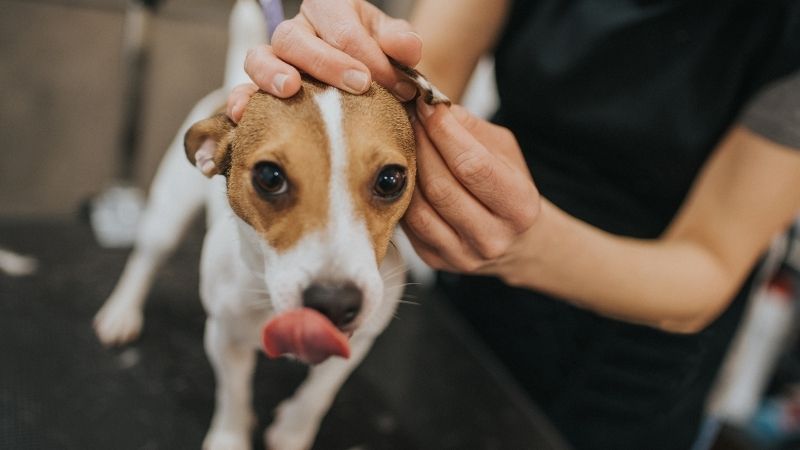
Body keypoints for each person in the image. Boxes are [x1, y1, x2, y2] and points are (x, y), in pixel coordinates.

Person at [227, 1, 800, 448]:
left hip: (641, 344)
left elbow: (711, 263)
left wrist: (528, 246)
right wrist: (365, 68)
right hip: (475, 294)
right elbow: (423, 83)